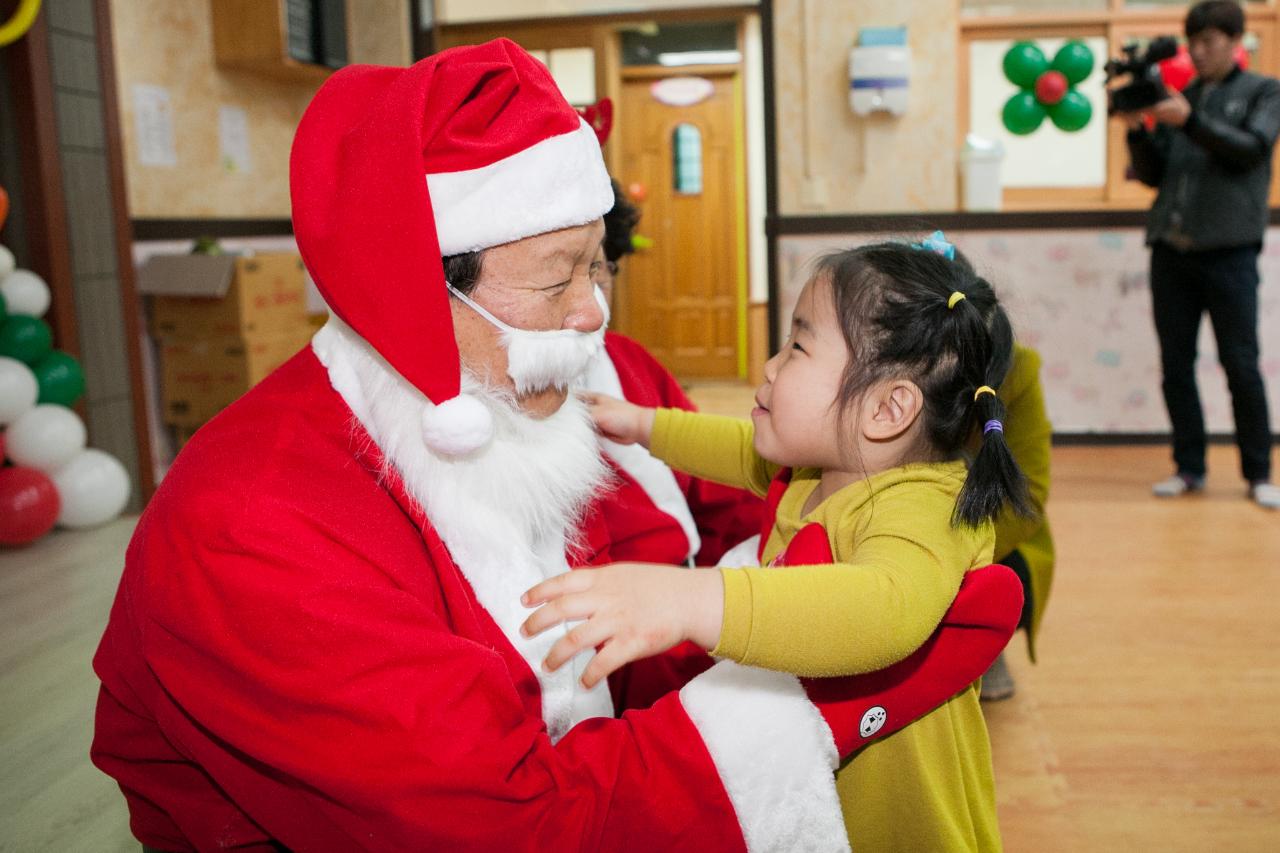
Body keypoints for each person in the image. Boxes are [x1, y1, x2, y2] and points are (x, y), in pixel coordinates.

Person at [90, 42, 1021, 851]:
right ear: (414, 291)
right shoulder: (256, 524)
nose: (594, 313)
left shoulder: (493, 412)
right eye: (556, 280)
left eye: (597, 267)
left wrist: (753, 610)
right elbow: (498, 828)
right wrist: (829, 693)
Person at [524, 235, 1028, 851]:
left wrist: (691, 599)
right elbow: (738, 447)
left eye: (797, 346)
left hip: (898, 829)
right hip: (809, 791)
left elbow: (883, 608)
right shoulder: (816, 469)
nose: (770, 365)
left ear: (887, 409)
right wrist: (642, 424)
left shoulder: (925, 505)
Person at [1123, 0, 1280, 509]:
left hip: (1230, 252)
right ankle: (1188, 468)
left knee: (1241, 363)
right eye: (1194, 40)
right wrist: (1136, 129)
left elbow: (1251, 148)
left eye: (1209, 40)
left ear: (1236, 42)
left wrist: (1188, 121)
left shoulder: (1264, 92)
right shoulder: (1182, 97)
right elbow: (1154, 175)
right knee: (1176, 365)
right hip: (1171, 250)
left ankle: (1259, 473)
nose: (1198, 49)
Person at [581, 179, 764, 567]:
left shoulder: (627, 358)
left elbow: (708, 480)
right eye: (565, 277)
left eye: (601, 269)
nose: (591, 299)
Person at [977, 343, 1055, 701]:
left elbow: (1030, 495)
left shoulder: (1019, 370)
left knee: (1005, 582)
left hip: (993, 543)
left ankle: (981, 645)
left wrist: (960, 553)